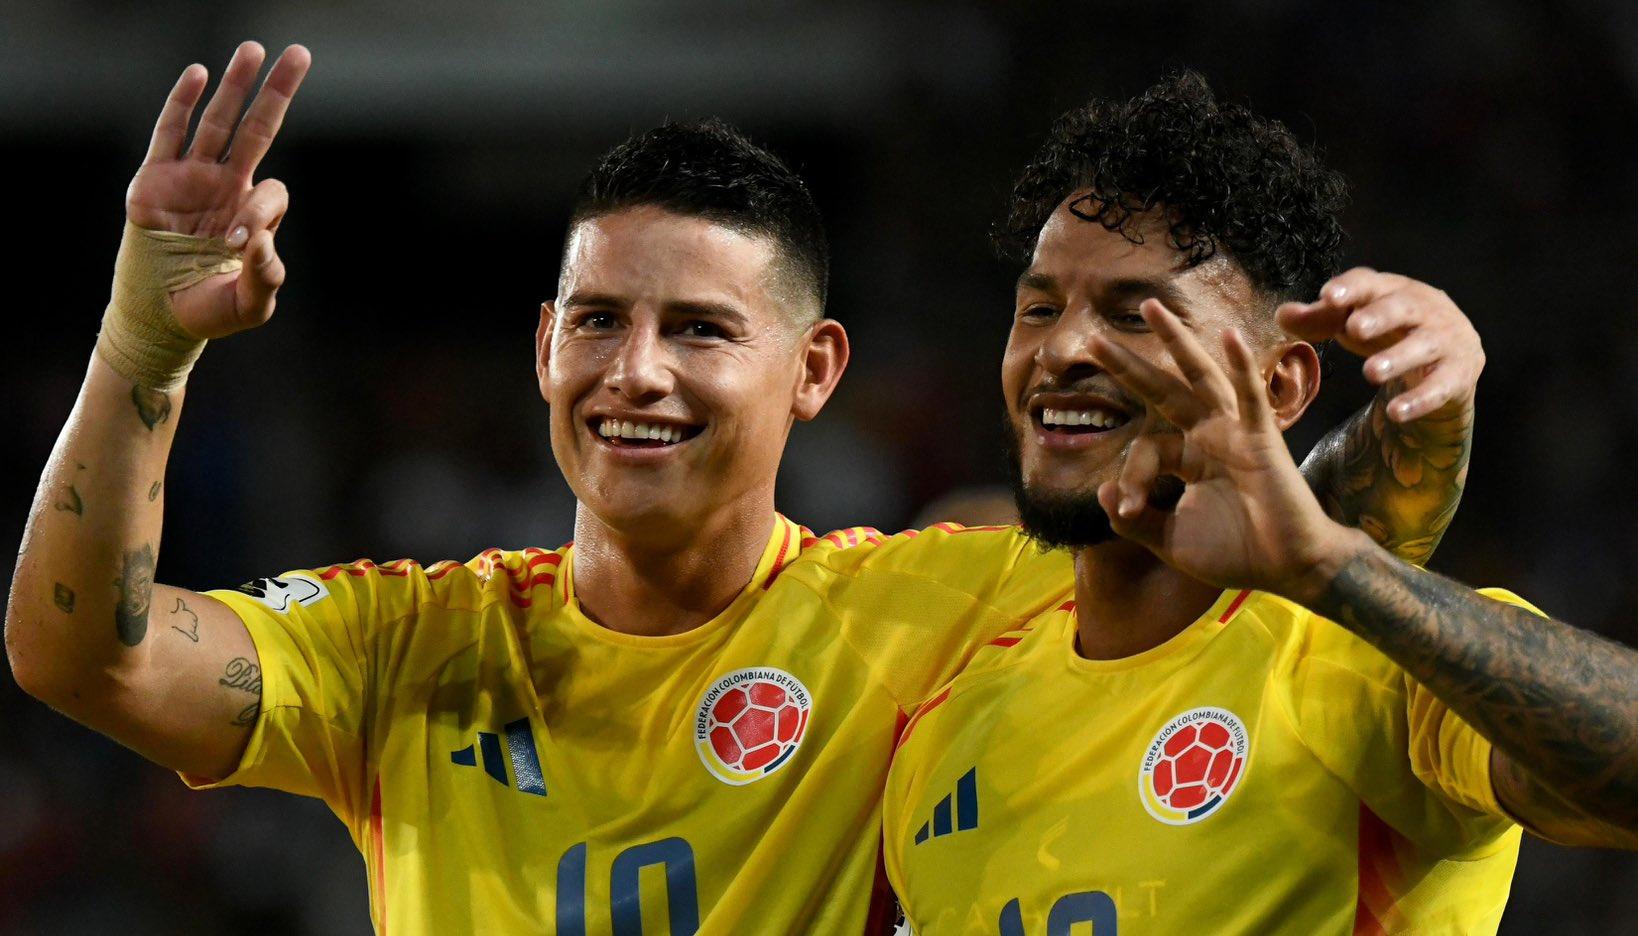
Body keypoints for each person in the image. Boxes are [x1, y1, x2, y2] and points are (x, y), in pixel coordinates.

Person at [6, 46, 1480, 933]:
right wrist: (144, 339)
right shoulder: (408, 646)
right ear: (542, 347)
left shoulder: (942, 603)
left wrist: (1424, 404)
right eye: (597, 322)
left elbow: (1262, 545)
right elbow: (80, 654)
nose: (634, 374)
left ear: (814, 370)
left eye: (702, 331)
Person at [883, 73, 1638, 935]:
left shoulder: (1357, 663)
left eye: (1136, 317)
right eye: (1039, 307)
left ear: (1280, 384)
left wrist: (1329, 564)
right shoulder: (947, 713)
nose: (1063, 349)